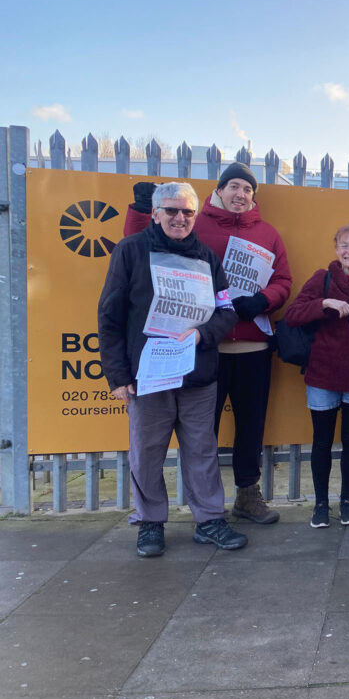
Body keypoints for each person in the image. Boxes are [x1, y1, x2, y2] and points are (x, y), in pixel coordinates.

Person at [123, 163, 292, 525]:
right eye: (233, 186)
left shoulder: (268, 233)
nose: (240, 194)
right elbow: (142, 247)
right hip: (203, 350)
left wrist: (263, 301)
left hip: (253, 349)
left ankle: (248, 495)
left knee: (251, 427)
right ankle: (203, 507)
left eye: (247, 189)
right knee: (202, 435)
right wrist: (139, 210)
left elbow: (283, 279)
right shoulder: (194, 223)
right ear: (219, 191)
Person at [98, 182, 245, 556]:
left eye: (187, 212)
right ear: (156, 213)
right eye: (172, 211)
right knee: (146, 453)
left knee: (202, 451)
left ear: (195, 216)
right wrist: (117, 376)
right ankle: (150, 523)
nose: (180, 218)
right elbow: (110, 316)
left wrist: (201, 334)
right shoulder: (131, 251)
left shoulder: (208, 258)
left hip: (198, 376)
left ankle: (210, 519)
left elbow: (227, 311)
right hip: (148, 377)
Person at [284, 225, 349, 528]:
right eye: (344, 246)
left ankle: (347, 501)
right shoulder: (322, 278)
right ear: (336, 249)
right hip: (323, 374)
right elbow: (293, 315)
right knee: (321, 443)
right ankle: (320, 504)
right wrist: (324, 303)